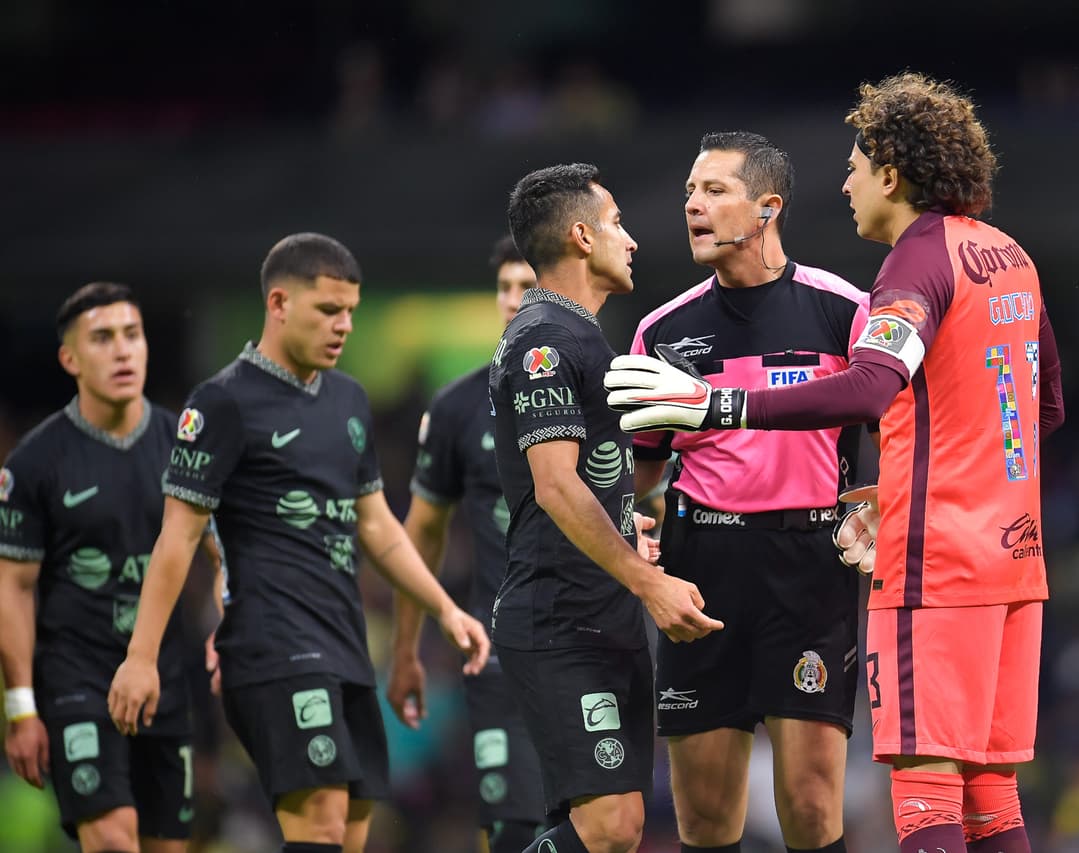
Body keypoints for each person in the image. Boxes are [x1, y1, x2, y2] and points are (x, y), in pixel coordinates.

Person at [605, 73, 1065, 853]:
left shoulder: (904, 270)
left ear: (891, 173)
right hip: (1008, 556)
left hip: (918, 563)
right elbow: (1042, 404)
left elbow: (869, 386)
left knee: (919, 791)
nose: (846, 183)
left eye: (854, 166)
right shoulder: (1007, 253)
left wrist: (719, 406)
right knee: (990, 792)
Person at [106, 233, 491, 853]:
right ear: (279, 302)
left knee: (354, 830)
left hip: (345, 643)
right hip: (271, 645)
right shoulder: (222, 402)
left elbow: (377, 526)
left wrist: (444, 609)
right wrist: (141, 656)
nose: (343, 326)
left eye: (350, 313)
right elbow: (179, 536)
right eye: (328, 311)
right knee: (320, 822)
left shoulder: (348, 399)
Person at [623, 131, 871, 853]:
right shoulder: (662, 331)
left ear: (768, 207)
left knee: (812, 803)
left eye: (714, 191)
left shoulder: (843, 312)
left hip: (809, 569)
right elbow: (637, 479)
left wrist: (883, 494)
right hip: (702, 571)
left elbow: (903, 426)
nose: (694, 207)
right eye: (689, 195)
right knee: (703, 816)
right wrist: (640, 543)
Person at [490, 163, 722, 853]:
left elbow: (594, 483)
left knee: (615, 827)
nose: (633, 240)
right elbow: (557, 486)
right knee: (609, 825)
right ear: (582, 235)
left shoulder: (584, 335)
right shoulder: (543, 340)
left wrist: (632, 525)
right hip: (560, 618)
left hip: (602, 609)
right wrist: (649, 581)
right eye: (617, 222)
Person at [0, 282, 219, 853]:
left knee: (167, 846)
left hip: (165, 680)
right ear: (70, 359)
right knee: (115, 842)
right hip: (77, 679)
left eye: (132, 335)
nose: (123, 351)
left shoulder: (185, 445)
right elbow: (14, 588)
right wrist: (21, 707)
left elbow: (228, 553)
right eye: (102, 339)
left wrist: (230, 616)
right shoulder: (35, 463)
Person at [386, 235, 546, 853]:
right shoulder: (457, 408)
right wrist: (405, 650)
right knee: (510, 829)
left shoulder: (603, 391)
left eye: (527, 288)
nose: (512, 302)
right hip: (497, 652)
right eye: (504, 288)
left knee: (602, 827)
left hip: (590, 647)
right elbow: (418, 535)